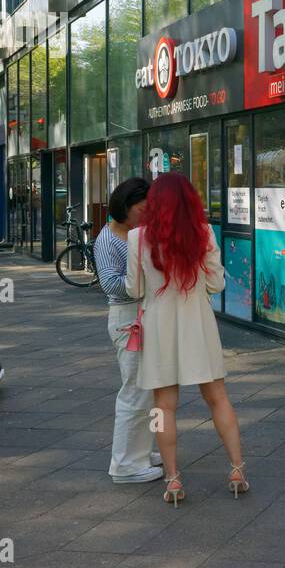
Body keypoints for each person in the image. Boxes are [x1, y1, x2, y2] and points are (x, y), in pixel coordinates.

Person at [125, 173, 246, 506]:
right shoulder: (203, 233)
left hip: (160, 328)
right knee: (218, 398)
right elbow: (217, 284)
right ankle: (237, 470)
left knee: (163, 407)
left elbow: (134, 290)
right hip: (198, 326)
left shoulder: (137, 238)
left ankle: (173, 479)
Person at [94, 178, 163, 485]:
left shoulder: (137, 233)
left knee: (146, 389)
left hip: (142, 315)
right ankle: (125, 464)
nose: (145, 215)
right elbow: (110, 284)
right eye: (141, 209)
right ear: (125, 207)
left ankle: (141, 452)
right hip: (128, 319)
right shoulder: (109, 240)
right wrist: (148, 281)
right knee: (135, 390)